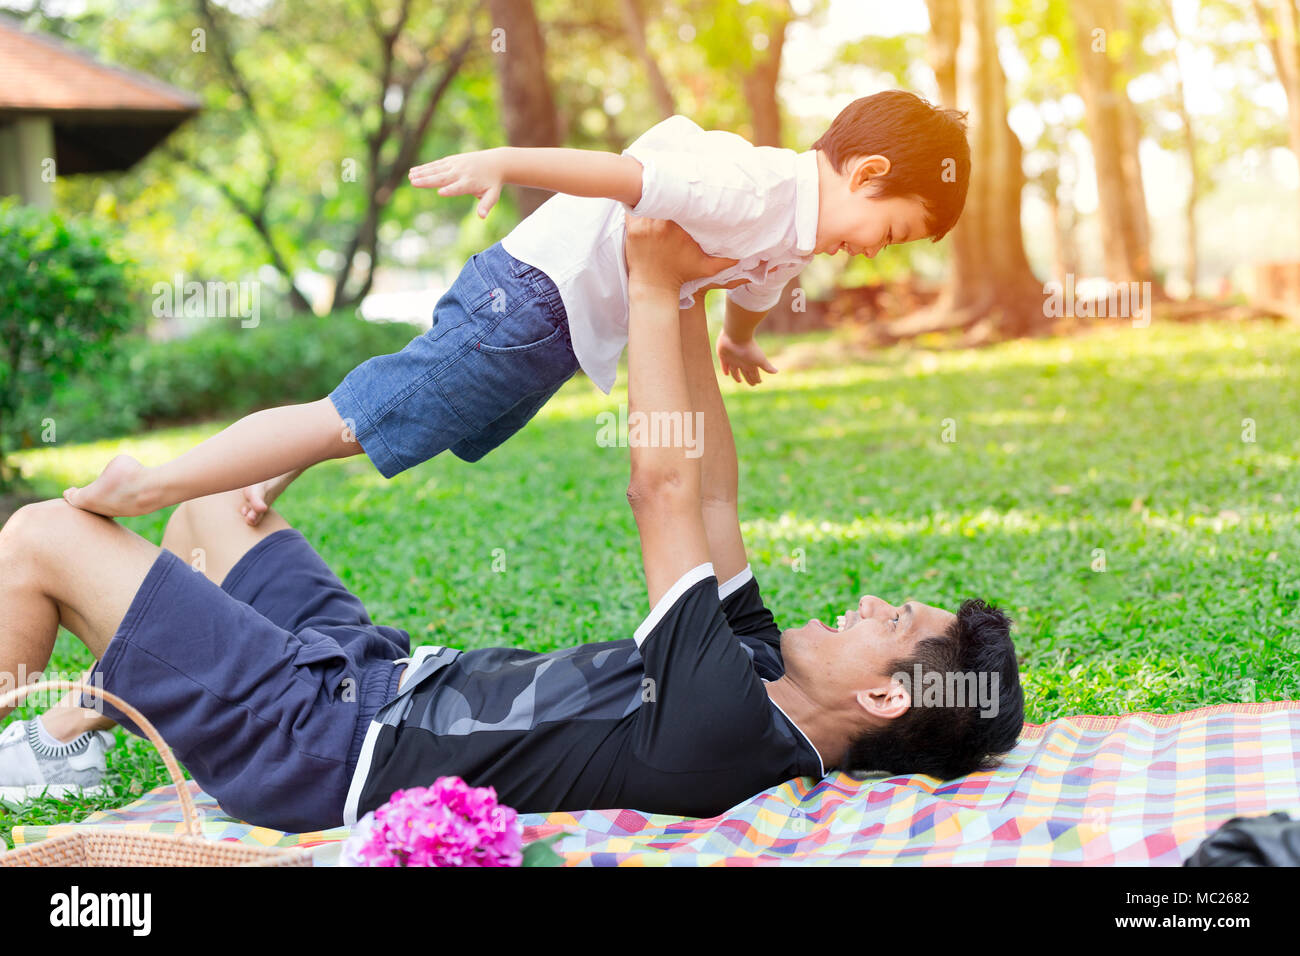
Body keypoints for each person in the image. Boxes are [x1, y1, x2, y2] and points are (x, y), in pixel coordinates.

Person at [0, 217, 1019, 832]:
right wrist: (695, 302)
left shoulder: (727, 721)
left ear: (884, 693)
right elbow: (714, 492)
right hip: (374, 674)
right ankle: (83, 724)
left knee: (43, 532)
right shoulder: (753, 666)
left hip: (320, 743)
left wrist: (652, 275)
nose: (871, 600)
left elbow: (661, 488)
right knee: (211, 499)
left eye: (893, 617)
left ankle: (45, 728)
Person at [58, 90, 970, 524]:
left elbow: (757, 293)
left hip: (549, 333)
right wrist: (505, 160)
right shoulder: (746, 186)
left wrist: (736, 341)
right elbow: (622, 175)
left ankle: (266, 472)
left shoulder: (793, 230)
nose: (873, 250)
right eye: (890, 230)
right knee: (354, 417)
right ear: (867, 172)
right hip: (528, 301)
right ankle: (158, 485)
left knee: (376, 410)